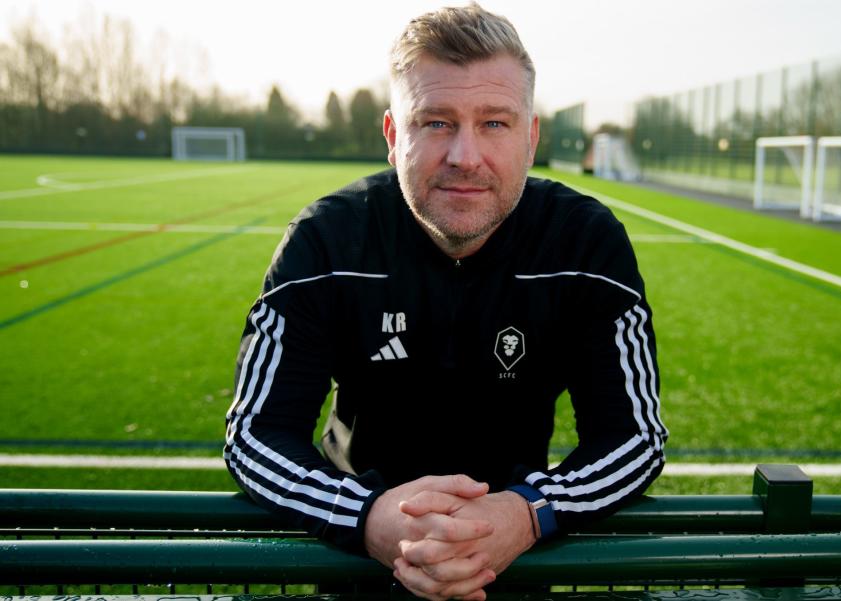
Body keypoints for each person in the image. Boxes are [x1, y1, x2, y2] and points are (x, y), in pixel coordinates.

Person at [224, 4, 668, 600]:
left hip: (514, 574)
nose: (464, 155)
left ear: (531, 137)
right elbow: (255, 432)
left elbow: (634, 437)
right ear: (392, 136)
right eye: (435, 122)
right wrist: (367, 516)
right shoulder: (326, 240)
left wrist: (528, 512)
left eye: (494, 123)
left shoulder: (586, 243)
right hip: (355, 574)